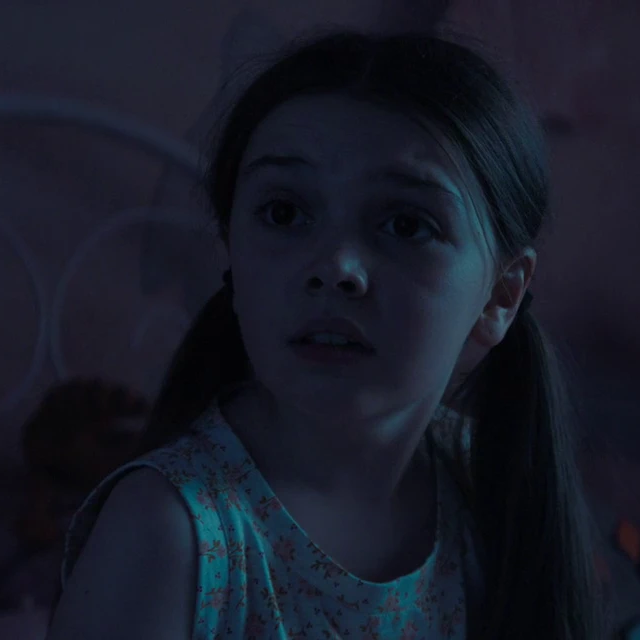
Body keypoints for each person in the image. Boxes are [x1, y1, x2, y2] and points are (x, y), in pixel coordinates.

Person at [48, 29, 601, 639]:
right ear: (233, 251)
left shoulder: (488, 487)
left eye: (406, 224)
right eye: (284, 213)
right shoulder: (170, 534)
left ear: (499, 296)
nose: (335, 267)